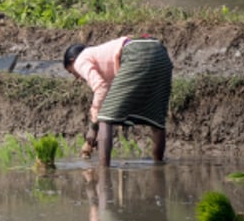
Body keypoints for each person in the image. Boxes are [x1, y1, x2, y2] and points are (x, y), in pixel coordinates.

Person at [64, 37, 173, 167]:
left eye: (72, 72)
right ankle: (158, 167)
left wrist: (93, 128)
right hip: (160, 52)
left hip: (136, 53)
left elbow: (100, 88)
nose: (77, 78)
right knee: (156, 120)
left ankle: (104, 172)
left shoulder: (80, 60)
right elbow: (110, 95)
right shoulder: (100, 56)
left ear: (72, 61)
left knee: (105, 118)